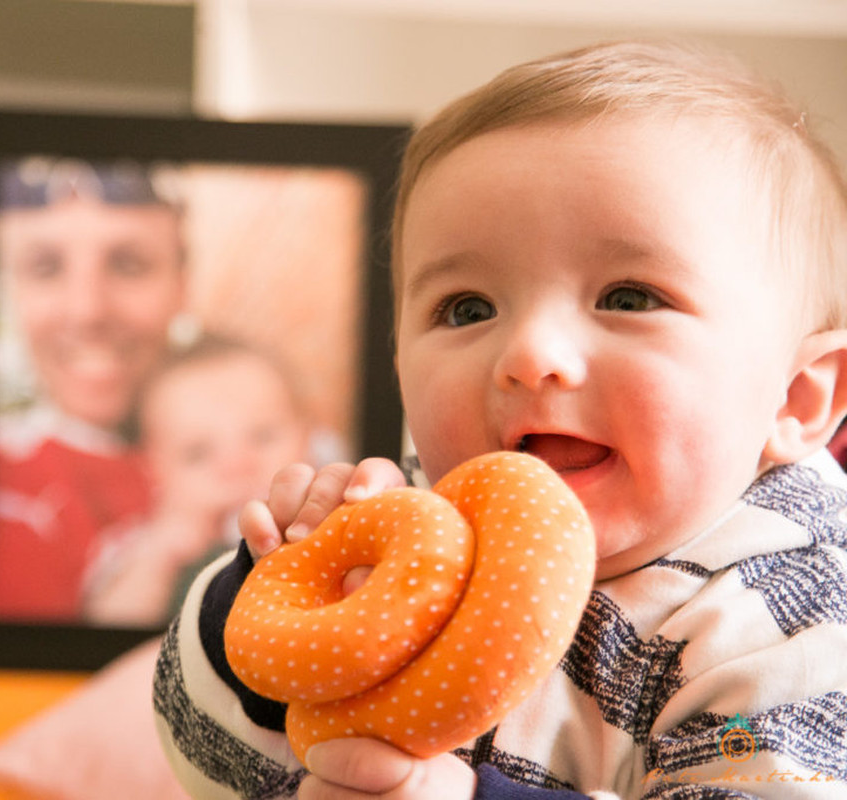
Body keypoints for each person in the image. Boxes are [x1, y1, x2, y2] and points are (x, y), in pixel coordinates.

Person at [152, 39, 847, 798]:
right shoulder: (414, 533)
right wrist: (265, 616)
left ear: (796, 399)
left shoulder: (798, 621)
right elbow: (203, 755)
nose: (529, 353)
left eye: (628, 297)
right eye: (466, 309)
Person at [0, 158, 188, 621]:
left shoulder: (255, 451)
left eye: (129, 265)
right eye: (45, 268)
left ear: (183, 284)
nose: (87, 310)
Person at [83, 335, 312, 627]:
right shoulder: (142, 542)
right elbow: (106, 629)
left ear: (307, 437)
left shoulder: (321, 515)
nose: (237, 465)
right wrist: (159, 559)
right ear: (154, 471)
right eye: (197, 454)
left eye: (262, 436)